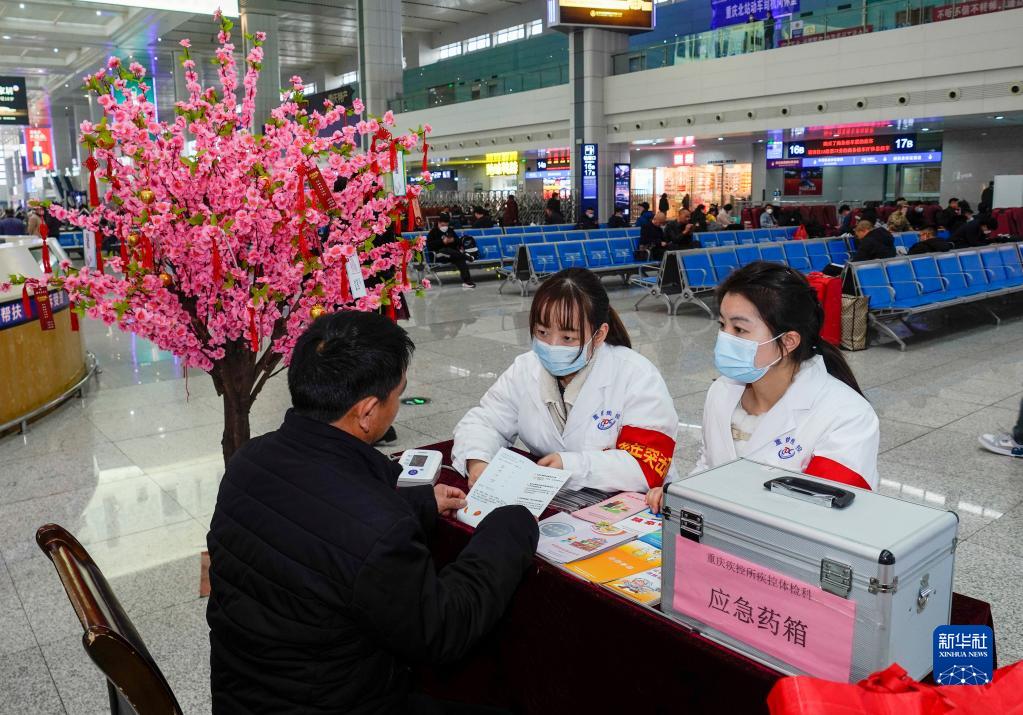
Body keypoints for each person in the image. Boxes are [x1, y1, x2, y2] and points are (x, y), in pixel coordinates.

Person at [207, 311, 539, 715]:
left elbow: (320, 520)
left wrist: (419, 503)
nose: (397, 406)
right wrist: (511, 524)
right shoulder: (380, 528)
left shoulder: (249, 461)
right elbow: (442, 630)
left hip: (242, 697)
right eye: (398, 395)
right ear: (366, 412)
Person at [647, 262, 879, 512]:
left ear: (788, 341)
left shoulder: (847, 415)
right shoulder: (722, 391)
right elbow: (708, 466)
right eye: (722, 325)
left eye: (739, 329)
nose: (725, 338)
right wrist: (680, 495)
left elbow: (823, 515)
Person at [453, 268, 679, 493]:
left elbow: (646, 467)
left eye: (568, 337)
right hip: (554, 498)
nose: (552, 345)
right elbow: (485, 422)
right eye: (542, 332)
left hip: (627, 503)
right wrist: (478, 461)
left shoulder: (636, 375)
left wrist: (571, 465)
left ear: (599, 335)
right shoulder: (526, 368)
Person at [427, 212, 476, 289]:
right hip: (438, 255)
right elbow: (430, 246)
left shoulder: (450, 230)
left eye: (446, 225)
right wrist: (442, 242)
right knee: (446, 250)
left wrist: (453, 240)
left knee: (460, 260)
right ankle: (466, 256)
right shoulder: (433, 232)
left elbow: (458, 241)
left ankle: (467, 281)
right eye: (443, 225)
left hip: (452, 254)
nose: (445, 227)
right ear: (439, 223)